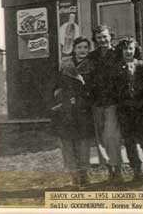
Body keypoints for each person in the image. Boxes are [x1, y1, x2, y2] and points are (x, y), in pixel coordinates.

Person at [113, 36, 143, 180]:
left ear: (135, 50)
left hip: (142, 110)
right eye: (125, 49)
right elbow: (114, 89)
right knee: (129, 142)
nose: (128, 52)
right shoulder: (117, 69)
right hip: (125, 111)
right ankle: (137, 170)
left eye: (131, 49)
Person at [51, 36, 94, 187]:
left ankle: (84, 175)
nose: (82, 50)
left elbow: (93, 89)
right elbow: (56, 87)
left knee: (83, 143)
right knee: (68, 143)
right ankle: (74, 175)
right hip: (67, 110)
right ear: (74, 49)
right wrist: (64, 100)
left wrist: (83, 87)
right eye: (79, 47)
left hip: (83, 110)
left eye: (85, 48)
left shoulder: (92, 66)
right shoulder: (65, 65)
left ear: (89, 50)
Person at [88, 25, 122, 182]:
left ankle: (118, 169)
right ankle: (110, 170)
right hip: (96, 102)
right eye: (99, 37)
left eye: (105, 36)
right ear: (95, 39)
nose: (102, 40)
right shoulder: (91, 57)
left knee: (111, 136)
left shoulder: (118, 53)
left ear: (111, 36)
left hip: (113, 101)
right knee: (101, 138)